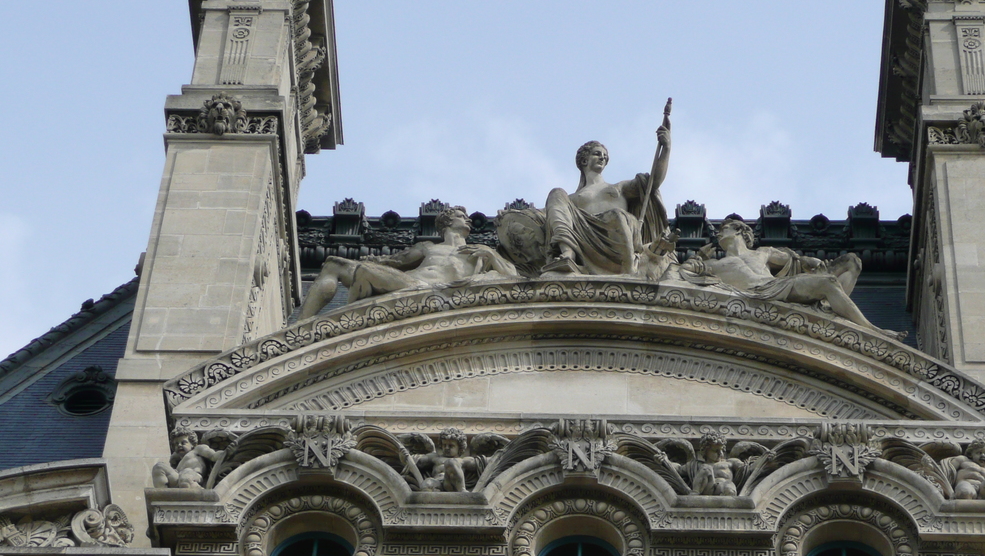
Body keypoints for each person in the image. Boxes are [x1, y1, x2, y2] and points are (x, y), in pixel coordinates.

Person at [498, 112, 672, 277]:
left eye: (605, 156)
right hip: (583, 239)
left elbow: (653, 182)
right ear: (584, 160)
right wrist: (510, 217)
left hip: (616, 238)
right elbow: (540, 217)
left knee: (617, 215)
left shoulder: (620, 188)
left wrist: (666, 148)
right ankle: (568, 254)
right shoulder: (571, 201)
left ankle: (628, 270)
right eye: (597, 154)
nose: (602, 158)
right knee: (556, 193)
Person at [683, 218, 899, 336]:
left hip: (778, 287)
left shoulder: (763, 252)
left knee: (852, 261)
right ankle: (872, 330)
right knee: (828, 282)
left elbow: (796, 259)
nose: (719, 233)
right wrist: (697, 257)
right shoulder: (713, 264)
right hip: (753, 294)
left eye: (724, 228)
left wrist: (813, 262)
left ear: (739, 231)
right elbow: (681, 272)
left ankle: (834, 310)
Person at [297, 205, 517, 319]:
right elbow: (394, 261)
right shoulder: (428, 247)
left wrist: (491, 255)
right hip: (411, 285)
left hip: (444, 292)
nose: (467, 219)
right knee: (334, 263)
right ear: (447, 222)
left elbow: (513, 278)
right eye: (461, 216)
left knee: (363, 273)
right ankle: (301, 328)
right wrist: (373, 259)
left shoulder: (482, 251)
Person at [151, 425, 222, 489]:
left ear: (192, 444)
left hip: (192, 476)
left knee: (186, 474)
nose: (179, 445)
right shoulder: (176, 460)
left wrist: (227, 452)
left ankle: (200, 492)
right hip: (178, 478)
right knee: (159, 467)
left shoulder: (197, 449)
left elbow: (213, 456)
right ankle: (163, 494)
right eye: (176, 444)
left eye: (183, 442)